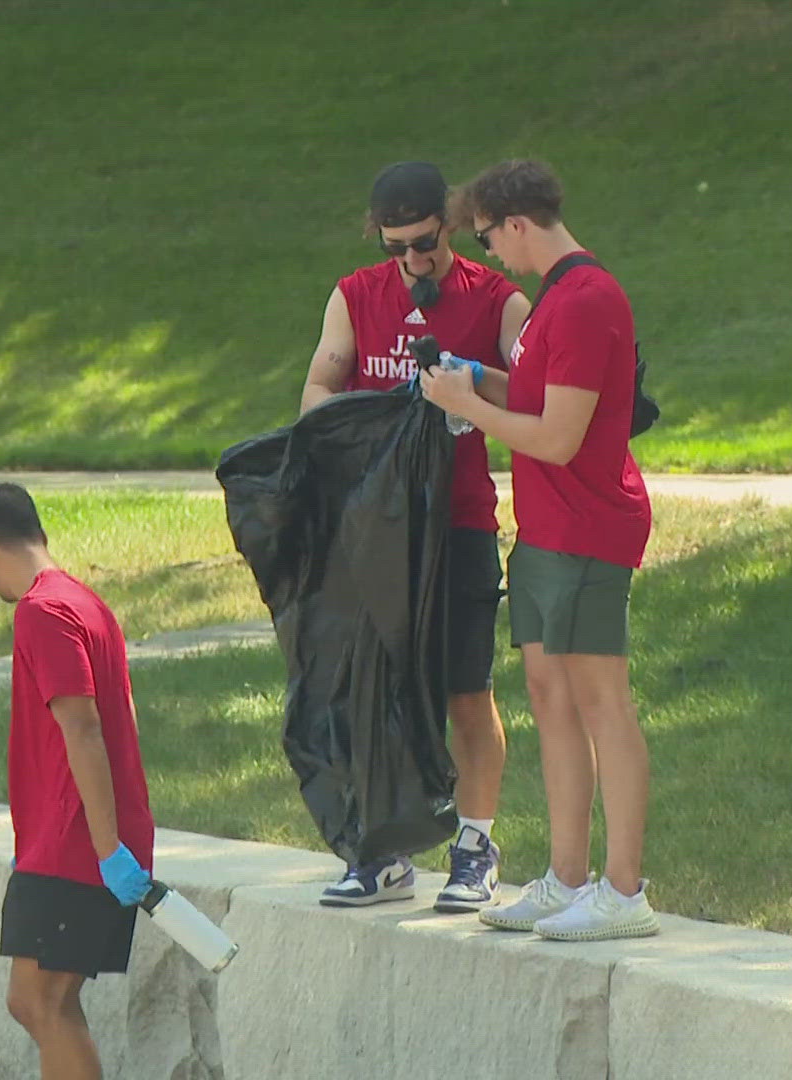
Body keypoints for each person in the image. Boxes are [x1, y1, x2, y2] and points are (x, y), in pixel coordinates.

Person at [419, 159, 659, 941]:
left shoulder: (587, 300)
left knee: (601, 703)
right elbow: (536, 399)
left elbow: (557, 438)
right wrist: (477, 379)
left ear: (516, 223)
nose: (492, 254)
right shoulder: (557, 304)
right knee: (551, 697)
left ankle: (623, 893)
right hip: (547, 531)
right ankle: (564, 879)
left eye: (489, 238)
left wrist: (466, 406)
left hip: (588, 529)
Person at [299, 161, 530, 913]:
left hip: (459, 521)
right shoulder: (355, 296)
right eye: (396, 246)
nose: (411, 261)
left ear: (450, 228)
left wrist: (465, 386)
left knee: (467, 690)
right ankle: (385, 848)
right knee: (380, 692)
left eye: (424, 243)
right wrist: (357, 426)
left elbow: (533, 397)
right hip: (380, 529)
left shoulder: (498, 300)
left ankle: (475, 843)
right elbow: (318, 391)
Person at [0, 482, 156, 1079]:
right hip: (79, 840)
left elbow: (82, 726)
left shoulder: (42, 611)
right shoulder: (85, 603)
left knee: (42, 1000)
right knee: (37, 1000)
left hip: (77, 843)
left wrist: (107, 850)